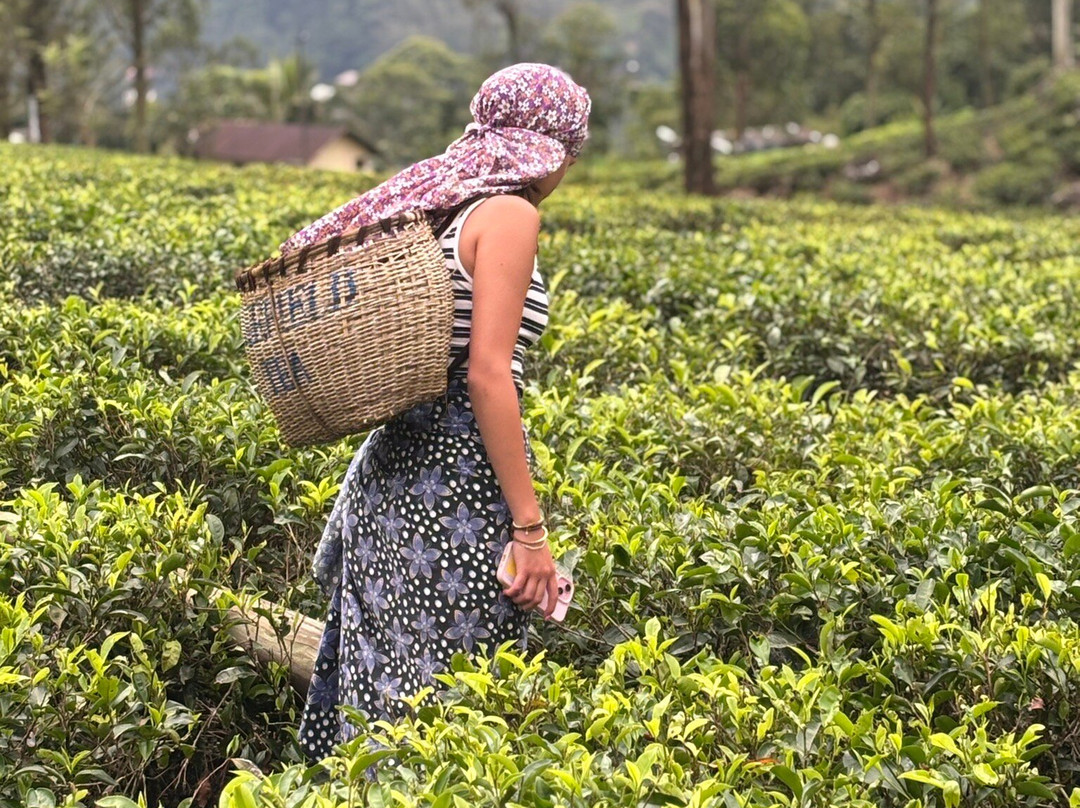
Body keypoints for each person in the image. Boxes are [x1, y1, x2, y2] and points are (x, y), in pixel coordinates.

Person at [285, 62, 592, 763]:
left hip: (392, 477)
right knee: (459, 696)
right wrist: (530, 526)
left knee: (387, 680)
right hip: (454, 481)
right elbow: (488, 376)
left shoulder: (443, 207)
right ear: (556, 145)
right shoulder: (510, 213)